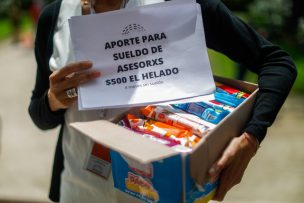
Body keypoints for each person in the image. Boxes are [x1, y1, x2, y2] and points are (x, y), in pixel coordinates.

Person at [28, 0, 297, 202]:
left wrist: (250, 139)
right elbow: (39, 116)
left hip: (161, 192)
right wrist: (53, 100)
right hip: (78, 189)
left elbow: (277, 63)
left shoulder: (178, 5)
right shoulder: (56, 17)